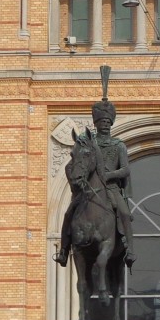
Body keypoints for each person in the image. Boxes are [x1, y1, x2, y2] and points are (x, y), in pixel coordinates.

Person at [55, 94, 136, 268]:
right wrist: (76, 181)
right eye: (101, 122)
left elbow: (126, 169)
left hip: (111, 188)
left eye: (108, 122)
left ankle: (130, 250)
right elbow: (71, 166)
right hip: (88, 190)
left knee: (124, 213)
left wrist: (108, 175)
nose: (105, 125)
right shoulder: (87, 143)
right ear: (96, 123)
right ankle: (63, 250)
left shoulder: (118, 145)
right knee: (69, 213)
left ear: (112, 123)